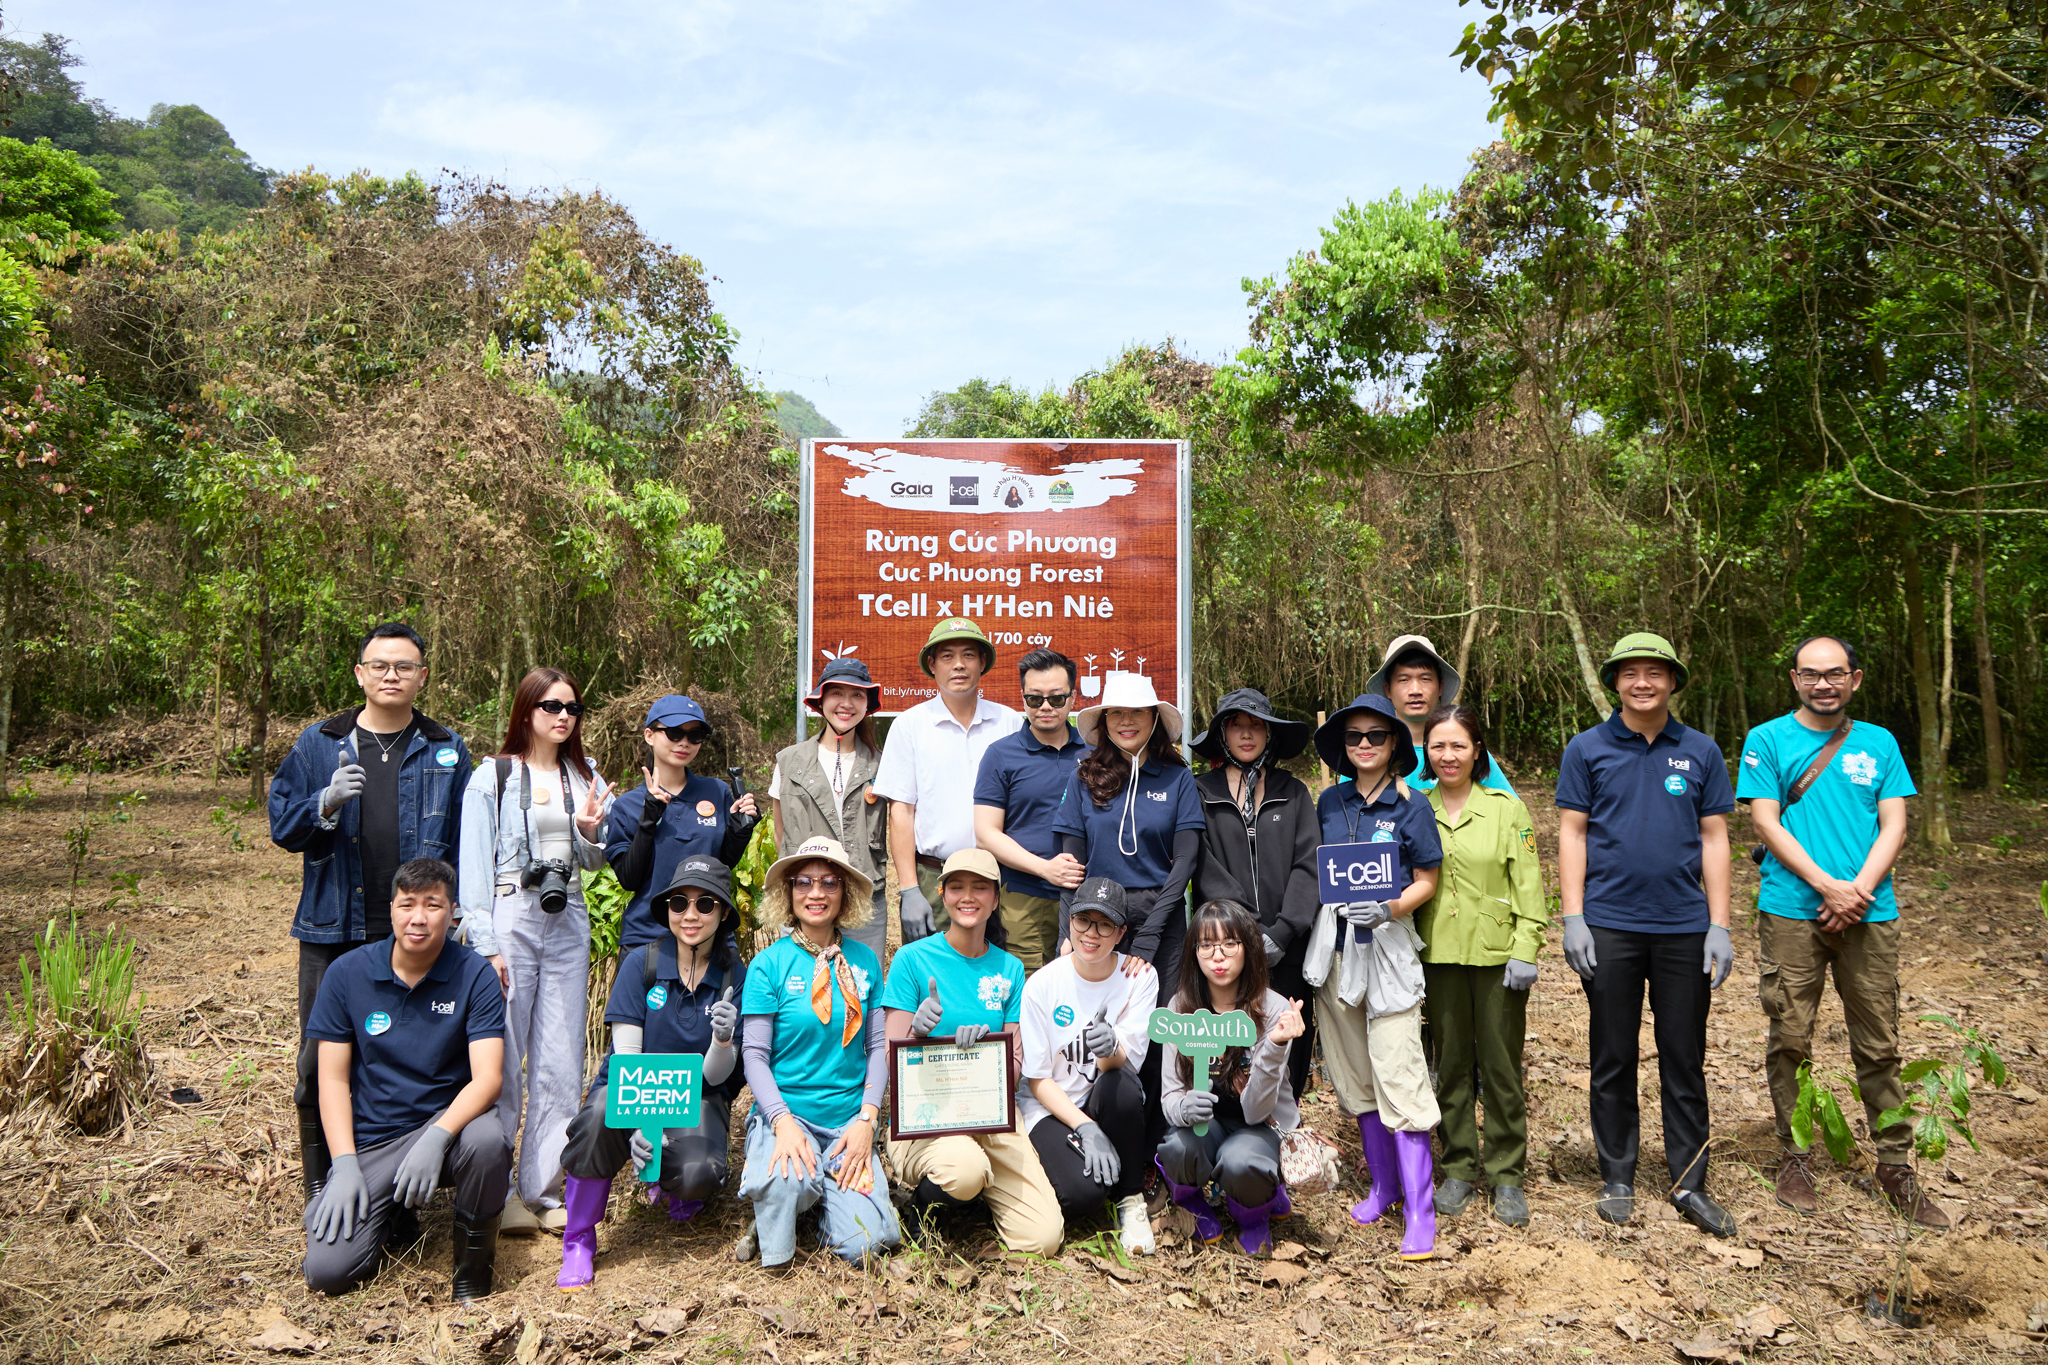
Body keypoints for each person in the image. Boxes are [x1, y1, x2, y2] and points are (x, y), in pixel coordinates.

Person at [1737, 637, 1949, 1228]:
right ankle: (1796, 1153)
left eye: (1835, 674)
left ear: (1855, 678)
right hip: (1790, 910)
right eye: (1811, 674)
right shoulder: (1768, 739)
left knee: (1880, 1043)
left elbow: (1894, 824)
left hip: (1870, 914)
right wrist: (1827, 887)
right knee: (1790, 1036)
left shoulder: (1879, 742)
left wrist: (1856, 892)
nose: (1823, 684)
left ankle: (1894, 1165)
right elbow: (1764, 820)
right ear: (1794, 679)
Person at [270, 622, 473, 1202]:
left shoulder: (445, 749)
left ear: (422, 677)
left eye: (404, 666)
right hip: (334, 929)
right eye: (380, 665)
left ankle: (403, 1183)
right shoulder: (319, 743)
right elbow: (284, 827)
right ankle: (323, 1182)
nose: (392, 674)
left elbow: (464, 842)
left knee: (414, 1061)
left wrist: (459, 917)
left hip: (419, 933)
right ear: (360, 674)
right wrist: (323, 802)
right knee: (319, 1061)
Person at [1556, 632, 1737, 1238]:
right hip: (1609, 923)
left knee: (1684, 1055)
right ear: (1614, 682)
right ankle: (1618, 1175)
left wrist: (1719, 923)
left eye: (1654, 673)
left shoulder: (1702, 750)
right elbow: (1573, 833)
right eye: (1630, 673)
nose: (1642, 683)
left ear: (1672, 681)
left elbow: (1714, 837)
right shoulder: (1587, 748)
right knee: (1612, 1052)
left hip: (1684, 927)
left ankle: (1689, 1180)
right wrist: (1574, 915)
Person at [300, 858, 508, 1302]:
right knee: (327, 1272)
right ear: (391, 909)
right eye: (407, 904)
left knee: (490, 1140)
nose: (418, 918)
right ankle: (390, 1214)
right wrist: (344, 1163)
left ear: (452, 913)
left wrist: (437, 1136)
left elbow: (488, 1078)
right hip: (375, 1139)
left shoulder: (475, 976)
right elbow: (331, 1081)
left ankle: (473, 1272)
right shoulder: (347, 974)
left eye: (432, 905)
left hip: (448, 1130)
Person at [457, 667, 611, 1235]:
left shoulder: (586, 776)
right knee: (503, 1058)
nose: (562, 716)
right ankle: (493, 1194)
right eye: (550, 706)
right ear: (526, 711)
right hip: (510, 913)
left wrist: (592, 833)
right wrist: (485, 943)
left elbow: (596, 863)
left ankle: (545, 1191)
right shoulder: (492, 777)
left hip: (568, 914)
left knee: (561, 1057)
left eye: (571, 706)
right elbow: (472, 868)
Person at [555, 855, 748, 1289]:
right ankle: (579, 1238)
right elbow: (626, 1059)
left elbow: (717, 1079)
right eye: (679, 903)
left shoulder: (735, 974)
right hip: (633, 1086)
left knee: (697, 1172)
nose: (691, 915)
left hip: (699, 1094)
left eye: (705, 904)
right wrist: (643, 1118)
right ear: (667, 910)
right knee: (597, 1118)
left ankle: (672, 1185)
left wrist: (722, 1040)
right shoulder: (641, 964)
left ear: (723, 912)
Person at [1309, 693, 1444, 1259]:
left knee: (1399, 1070)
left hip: (1388, 948)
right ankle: (1383, 1187)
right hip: (1335, 947)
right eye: (1354, 737)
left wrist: (1389, 908)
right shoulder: (1329, 801)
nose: (1364, 745)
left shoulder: (1411, 805)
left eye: (1376, 736)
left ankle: (1421, 1210)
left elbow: (1427, 879)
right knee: (1356, 1076)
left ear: (1395, 746)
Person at [1051, 670, 1203, 1151]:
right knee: (1093, 1026)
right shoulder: (1084, 777)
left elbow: (1186, 862)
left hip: (1161, 917)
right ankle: (1088, 1129)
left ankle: (1154, 1144)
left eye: (1137, 712)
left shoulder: (1178, 777)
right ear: (1105, 721)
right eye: (1117, 712)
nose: (1126, 722)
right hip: (1096, 917)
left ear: (1154, 719)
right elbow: (1070, 866)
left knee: (1159, 1028)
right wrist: (1067, 933)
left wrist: (1150, 936)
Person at [883, 849, 1062, 1255]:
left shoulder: (1010, 969)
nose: (969, 897)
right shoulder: (912, 959)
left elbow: (1014, 1067)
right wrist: (918, 1030)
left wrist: (984, 1056)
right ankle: (926, 1212)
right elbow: (894, 1061)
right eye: (957, 887)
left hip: (992, 1117)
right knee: (964, 1168)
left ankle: (978, 1193)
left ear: (996, 899)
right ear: (942, 894)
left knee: (1043, 1239)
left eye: (980, 887)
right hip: (926, 1118)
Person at [737, 837, 900, 1269]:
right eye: (804, 882)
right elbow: (753, 1055)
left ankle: (816, 1202)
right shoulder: (769, 964)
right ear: (788, 893)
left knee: (869, 1241)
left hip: (847, 1122)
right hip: (789, 1114)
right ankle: (783, 1195)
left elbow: (877, 1046)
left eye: (829, 882)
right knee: (786, 1181)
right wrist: (783, 1121)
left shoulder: (864, 960)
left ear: (844, 893)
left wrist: (868, 1119)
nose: (816, 893)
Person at [1415, 705, 1546, 1228]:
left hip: (1497, 955)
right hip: (1437, 952)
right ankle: (1459, 1167)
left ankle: (1507, 1174)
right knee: (1449, 1066)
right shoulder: (1415, 806)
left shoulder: (1505, 809)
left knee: (1500, 1066)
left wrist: (1527, 947)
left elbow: (1530, 884)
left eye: (1458, 746)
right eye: (1438, 746)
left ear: (1477, 751)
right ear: (1427, 752)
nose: (1448, 756)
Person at [1155, 898, 1306, 1257]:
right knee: (1177, 1147)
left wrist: (1272, 1044)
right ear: (1193, 953)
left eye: (1229, 944)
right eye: (1205, 945)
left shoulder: (1273, 1010)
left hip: (1260, 1124)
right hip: (1207, 1126)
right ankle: (1193, 1204)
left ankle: (1255, 1215)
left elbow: (1255, 1111)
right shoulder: (1181, 1007)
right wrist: (1185, 1109)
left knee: (1242, 1162)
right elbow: (1169, 1096)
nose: (1217, 956)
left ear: (1248, 948)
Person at [1192, 688, 1320, 1101]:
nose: (1246, 734)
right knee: (1228, 1044)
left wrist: (1281, 933)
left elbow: (1309, 864)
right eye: (1236, 725)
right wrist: (1246, 936)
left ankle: (1285, 1131)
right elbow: (1206, 866)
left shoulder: (1294, 791)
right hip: (1224, 948)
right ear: (1222, 734)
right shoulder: (1201, 792)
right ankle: (1231, 1133)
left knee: (1291, 1036)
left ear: (1270, 734)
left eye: (1256, 725)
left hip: (1288, 948)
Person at [1019, 876, 1158, 1254]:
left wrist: (1110, 1046)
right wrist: (1086, 1128)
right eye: (1083, 921)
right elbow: (1036, 1081)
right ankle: (1073, 1167)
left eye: (1105, 924)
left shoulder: (1139, 979)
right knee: (1084, 1197)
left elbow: (1122, 1068)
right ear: (1070, 923)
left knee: (1124, 1088)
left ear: (1121, 933)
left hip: (1105, 1097)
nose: (1091, 934)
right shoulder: (1042, 985)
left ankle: (1130, 1198)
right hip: (1050, 1106)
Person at [874, 618, 1021, 942]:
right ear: (932, 664)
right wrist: (910, 890)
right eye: (947, 656)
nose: (958, 665)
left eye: (969, 655)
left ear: (982, 662)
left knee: (994, 980)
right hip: (933, 878)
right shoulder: (910, 725)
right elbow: (901, 813)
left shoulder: (1009, 722)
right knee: (932, 983)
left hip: (999, 877)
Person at [605, 694, 758, 955]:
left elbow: (721, 864)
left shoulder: (717, 791)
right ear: (649, 735)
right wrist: (649, 818)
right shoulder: (627, 806)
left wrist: (740, 830)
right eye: (674, 733)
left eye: (694, 736)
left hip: (710, 935)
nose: (684, 743)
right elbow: (629, 879)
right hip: (646, 937)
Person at [974, 647, 1090, 972]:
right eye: (1035, 699)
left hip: (1089, 895)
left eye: (1056, 698)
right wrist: (1045, 869)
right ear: (1022, 697)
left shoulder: (1097, 754)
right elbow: (986, 833)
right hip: (1024, 896)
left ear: (1073, 698)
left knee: (1084, 987)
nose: (1045, 708)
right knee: (1026, 992)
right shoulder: (1001, 755)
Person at [771, 658, 889, 963]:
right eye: (836, 693)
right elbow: (781, 831)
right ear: (821, 700)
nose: (846, 704)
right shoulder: (789, 762)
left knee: (861, 988)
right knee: (799, 991)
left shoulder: (884, 764)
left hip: (864, 900)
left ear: (867, 704)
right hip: (806, 899)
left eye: (857, 695)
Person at [1363, 635, 1516, 795]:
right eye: (1404, 680)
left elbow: (1510, 812)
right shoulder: (1368, 749)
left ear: (1440, 687)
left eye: (1425, 679)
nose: (1415, 690)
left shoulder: (1464, 752)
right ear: (1388, 689)